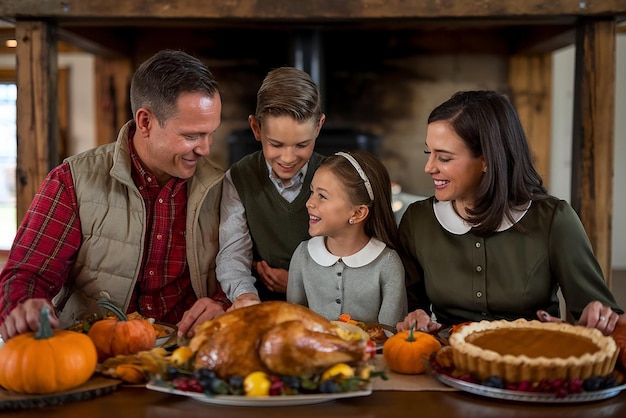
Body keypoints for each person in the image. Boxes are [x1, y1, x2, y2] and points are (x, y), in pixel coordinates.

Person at [0, 49, 230, 341]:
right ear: (145, 122)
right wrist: (23, 305)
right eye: (191, 136)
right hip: (91, 352)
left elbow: (242, 274)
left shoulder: (223, 187)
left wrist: (224, 303)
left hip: (186, 355)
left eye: (211, 133)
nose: (206, 149)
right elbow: (26, 275)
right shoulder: (71, 180)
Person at [396, 90, 625, 336]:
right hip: (448, 363)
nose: (429, 167)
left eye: (444, 157)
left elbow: (606, 319)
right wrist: (415, 315)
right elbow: (411, 306)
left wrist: (597, 319)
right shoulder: (417, 220)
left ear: (486, 160)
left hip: (534, 362)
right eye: (428, 153)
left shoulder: (554, 220)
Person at [216, 67, 326, 310]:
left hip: (324, 310)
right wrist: (244, 296)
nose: (288, 158)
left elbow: (352, 264)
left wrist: (298, 283)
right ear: (256, 128)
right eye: (275, 144)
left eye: (302, 145)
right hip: (261, 307)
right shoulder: (238, 178)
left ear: (318, 126)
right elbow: (233, 252)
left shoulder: (335, 177)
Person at [287, 151, 407, 326]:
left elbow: (390, 334)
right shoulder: (303, 255)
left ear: (358, 213)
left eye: (322, 196)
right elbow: (294, 322)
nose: (309, 203)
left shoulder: (387, 264)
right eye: (312, 192)